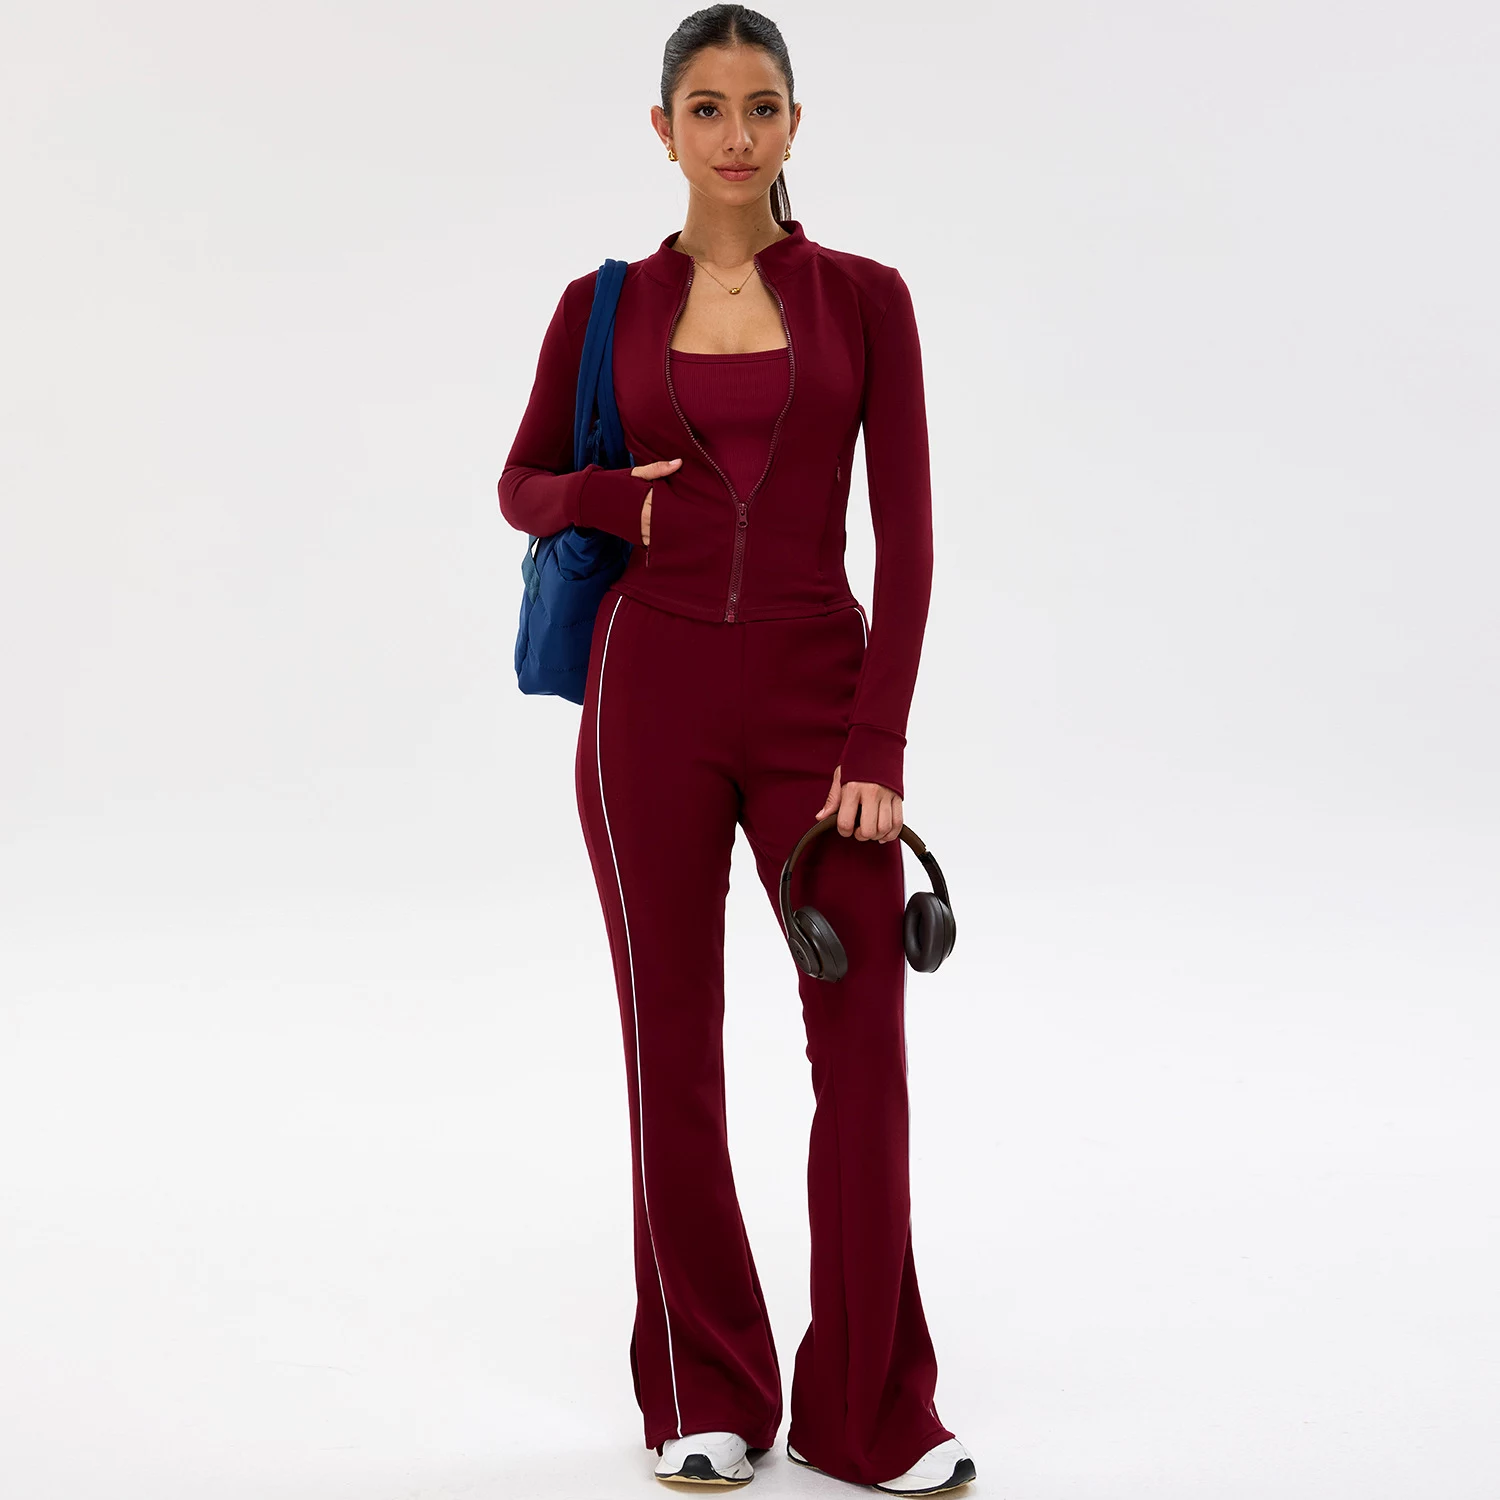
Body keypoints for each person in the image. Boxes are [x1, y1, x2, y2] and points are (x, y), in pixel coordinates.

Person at [497, 6, 975, 1494]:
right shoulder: (605, 306)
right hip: (649, 693)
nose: (735, 134)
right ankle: (706, 1388)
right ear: (664, 131)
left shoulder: (866, 301)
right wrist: (616, 503)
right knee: (672, 1045)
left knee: (864, 1046)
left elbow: (910, 541)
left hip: (820, 700)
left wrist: (877, 741)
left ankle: (867, 1408)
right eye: (704, 108)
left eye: (761, 105)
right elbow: (522, 484)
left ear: (794, 124)